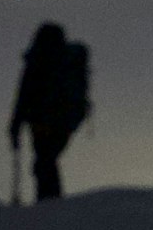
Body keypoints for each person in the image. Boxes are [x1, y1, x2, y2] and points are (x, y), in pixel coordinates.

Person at [7, 22, 92, 202]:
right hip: (63, 121)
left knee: (44, 161)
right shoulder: (65, 61)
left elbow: (24, 95)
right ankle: (51, 203)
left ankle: (49, 203)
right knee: (46, 160)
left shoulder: (37, 61)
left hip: (42, 120)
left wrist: (15, 126)